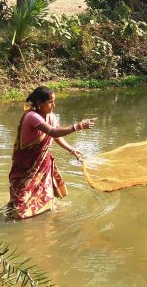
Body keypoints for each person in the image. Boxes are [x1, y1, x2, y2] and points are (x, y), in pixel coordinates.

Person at [7, 86, 95, 219]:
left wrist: (71, 149)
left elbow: (55, 135)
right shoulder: (32, 116)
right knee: (18, 205)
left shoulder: (51, 117)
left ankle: (43, 216)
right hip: (26, 164)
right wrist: (78, 126)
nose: (54, 105)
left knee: (45, 196)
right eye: (50, 102)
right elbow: (52, 132)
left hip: (42, 163)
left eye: (54, 101)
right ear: (39, 103)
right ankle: (13, 219)